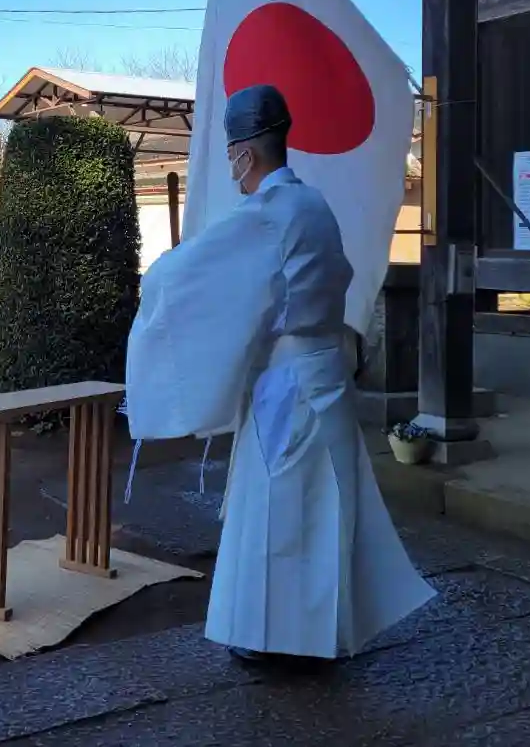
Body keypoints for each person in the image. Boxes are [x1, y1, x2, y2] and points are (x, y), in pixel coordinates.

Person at [125, 83, 434, 665]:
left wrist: (157, 282)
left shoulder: (267, 213)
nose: (231, 166)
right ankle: (320, 635)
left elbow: (181, 277)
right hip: (325, 370)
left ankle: (278, 641)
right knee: (323, 507)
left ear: (245, 152)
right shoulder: (314, 205)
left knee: (278, 509)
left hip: (287, 381)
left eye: (231, 154)